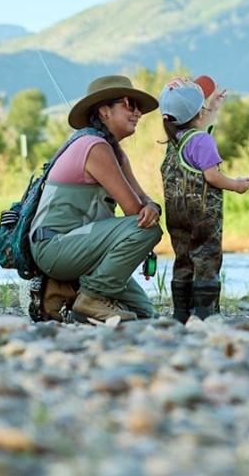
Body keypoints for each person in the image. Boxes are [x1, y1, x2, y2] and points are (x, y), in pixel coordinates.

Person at [29, 74, 164, 322]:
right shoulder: (94, 147)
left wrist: (153, 206)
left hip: (82, 248)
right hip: (55, 247)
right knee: (146, 230)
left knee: (143, 313)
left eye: (138, 107)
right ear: (104, 111)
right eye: (129, 104)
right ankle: (89, 296)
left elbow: (144, 199)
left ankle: (70, 294)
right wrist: (148, 210)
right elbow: (134, 210)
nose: (138, 113)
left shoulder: (115, 152)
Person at [158, 75, 249, 322]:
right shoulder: (203, 141)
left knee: (183, 259)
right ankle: (205, 314)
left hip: (176, 218)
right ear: (198, 113)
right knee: (206, 257)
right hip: (202, 217)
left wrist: (211, 108)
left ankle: (181, 313)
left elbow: (195, 125)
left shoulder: (174, 141)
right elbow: (212, 176)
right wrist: (237, 185)